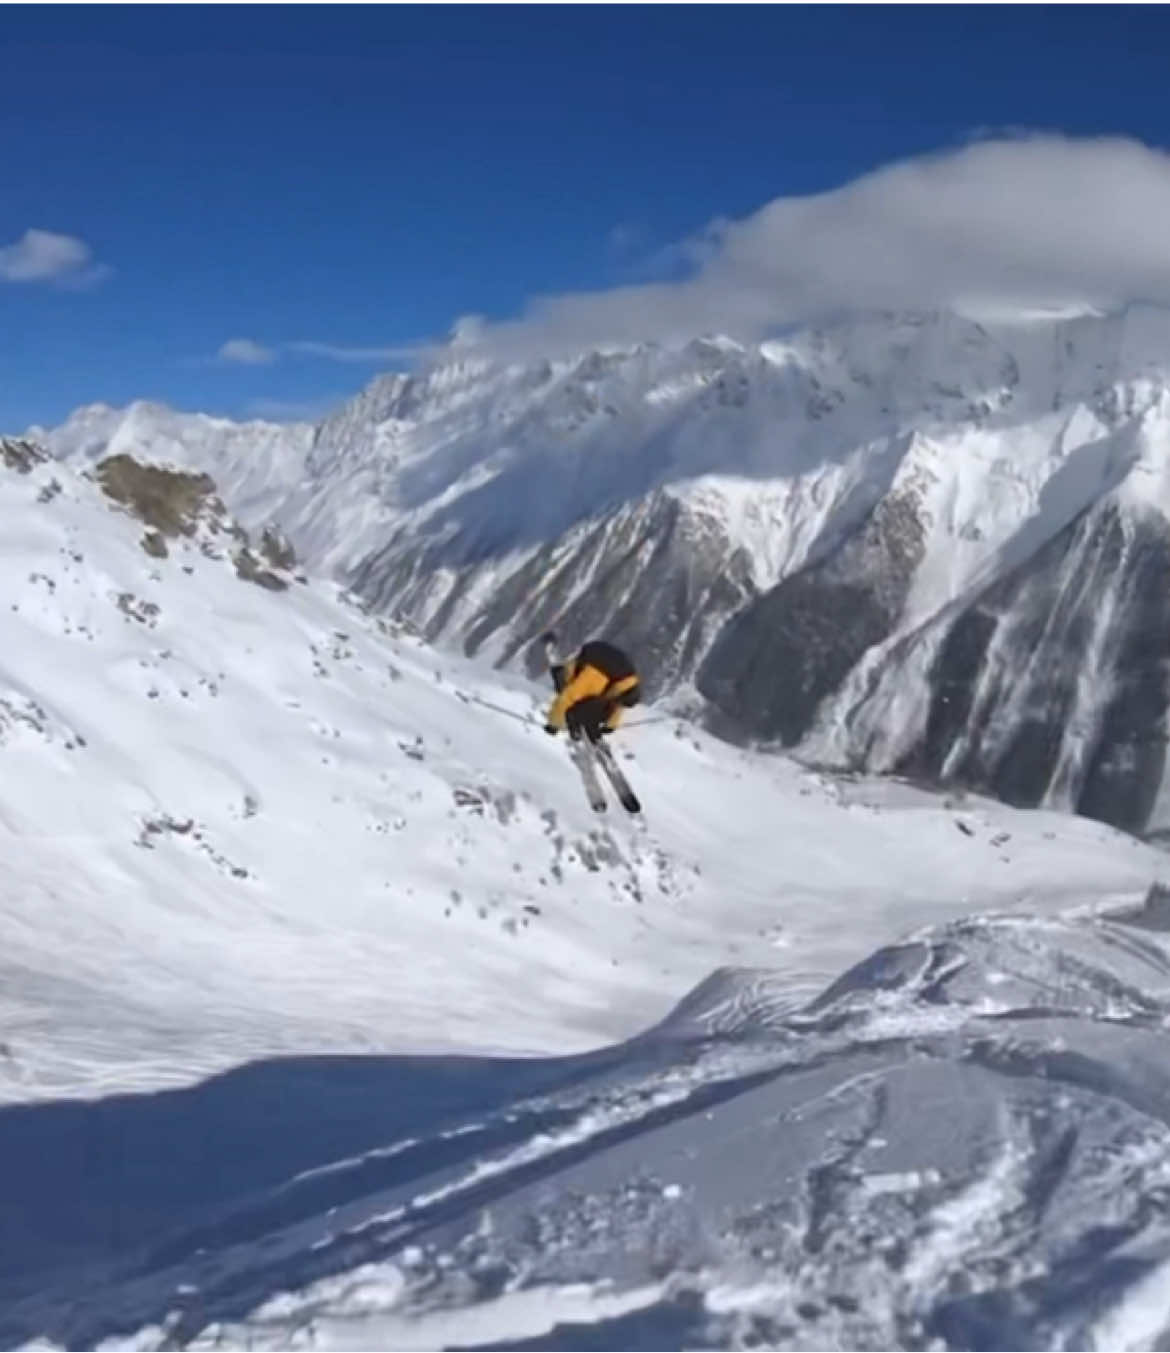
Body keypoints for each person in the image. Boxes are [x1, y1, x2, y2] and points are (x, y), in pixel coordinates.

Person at [543, 637, 641, 743]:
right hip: (587, 667)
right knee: (565, 689)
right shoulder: (595, 679)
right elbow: (566, 697)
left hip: (601, 659)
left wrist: (610, 726)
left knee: (601, 703)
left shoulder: (626, 682)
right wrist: (553, 724)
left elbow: (618, 705)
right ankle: (575, 718)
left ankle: (583, 720)